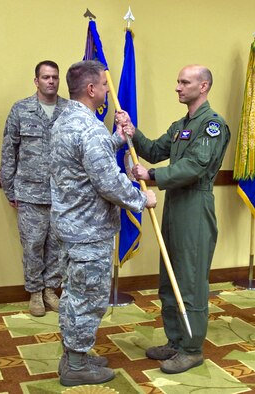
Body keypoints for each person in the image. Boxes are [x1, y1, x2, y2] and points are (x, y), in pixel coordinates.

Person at [49, 60, 157, 387]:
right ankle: (77, 365)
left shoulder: (65, 121)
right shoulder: (88, 128)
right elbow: (107, 182)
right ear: (92, 89)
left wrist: (118, 138)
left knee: (74, 295)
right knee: (88, 298)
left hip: (70, 227)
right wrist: (142, 200)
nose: (108, 90)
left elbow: (87, 161)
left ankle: (74, 355)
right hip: (89, 231)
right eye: (104, 85)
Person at [119, 64, 230, 374]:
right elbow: (154, 150)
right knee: (170, 277)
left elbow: (195, 165)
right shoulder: (181, 125)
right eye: (177, 81)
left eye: (184, 82)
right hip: (175, 206)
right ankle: (175, 340)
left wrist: (151, 175)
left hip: (195, 205)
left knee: (190, 279)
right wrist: (132, 131)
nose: (178, 87)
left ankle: (192, 348)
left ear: (204, 86)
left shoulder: (212, 125)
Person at [0, 60, 68, 317]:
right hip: (29, 193)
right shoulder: (21, 110)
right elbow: (9, 151)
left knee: (58, 246)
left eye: (54, 77)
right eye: (46, 77)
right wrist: (9, 188)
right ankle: (35, 293)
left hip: (62, 193)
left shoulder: (69, 110)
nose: (51, 81)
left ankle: (51, 290)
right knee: (32, 245)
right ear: (36, 81)